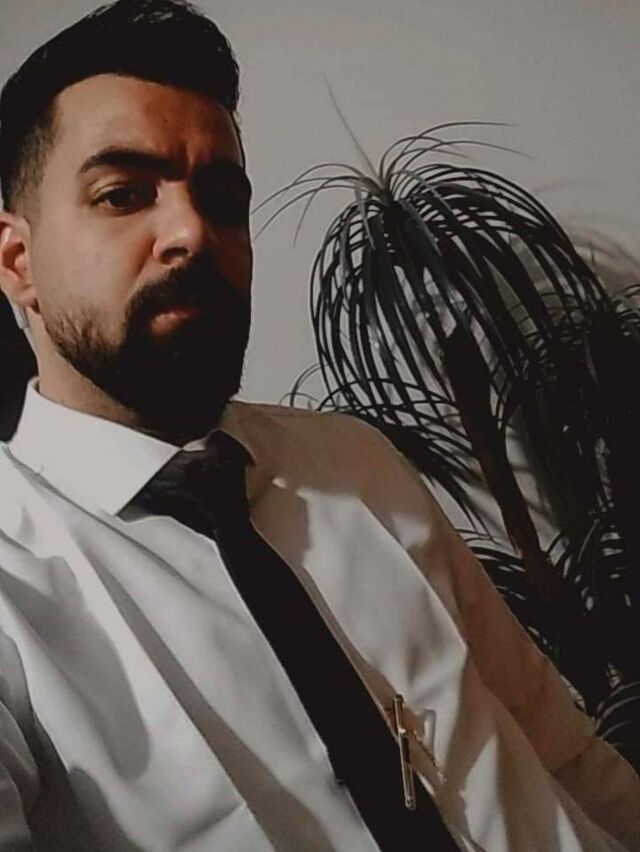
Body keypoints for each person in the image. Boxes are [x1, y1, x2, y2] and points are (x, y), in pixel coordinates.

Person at [0, 1, 637, 850]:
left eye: (223, 199)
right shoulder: (13, 587)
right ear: (18, 262)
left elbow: (562, 748)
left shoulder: (354, 462)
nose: (193, 232)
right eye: (123, 194)